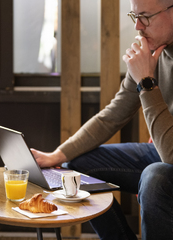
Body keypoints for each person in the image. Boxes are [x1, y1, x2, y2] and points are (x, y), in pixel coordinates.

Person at [31, 0, 173, 239]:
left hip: (167, 155)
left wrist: (147, 83)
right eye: (134, 16)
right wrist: (58, 154)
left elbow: (171, 156)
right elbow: (113, 115)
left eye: (146, 16)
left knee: (155, 177)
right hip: (162, 150)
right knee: (76, 169)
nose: (138, 26)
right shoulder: (150, 53)